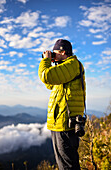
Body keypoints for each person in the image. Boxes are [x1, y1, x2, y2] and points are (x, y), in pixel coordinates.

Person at [38, 39, 86, 170]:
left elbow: (46, 76)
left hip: (66, 122)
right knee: (64, 162)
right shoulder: (65, 67)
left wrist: (46, 61)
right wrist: (53, 63)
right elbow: (50, 84)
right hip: (60, 121)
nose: (52, 55)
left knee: (67, 164)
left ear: (63, 52)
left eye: (55, 53)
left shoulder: (72, 64)